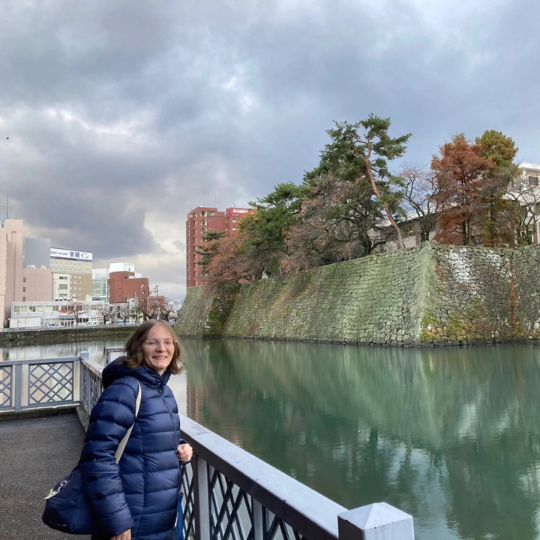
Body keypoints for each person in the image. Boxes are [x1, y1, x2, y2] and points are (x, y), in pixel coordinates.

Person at [79, 320, 193, 540]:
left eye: (168, 342)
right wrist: (117, 520)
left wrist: (178, 448)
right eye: (153, 343)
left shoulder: (164, 392)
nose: (162, 349)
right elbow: (97, 456)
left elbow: (145, 438)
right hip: (132, 522)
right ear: (139, 347)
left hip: (163, 517)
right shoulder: (125, 389)